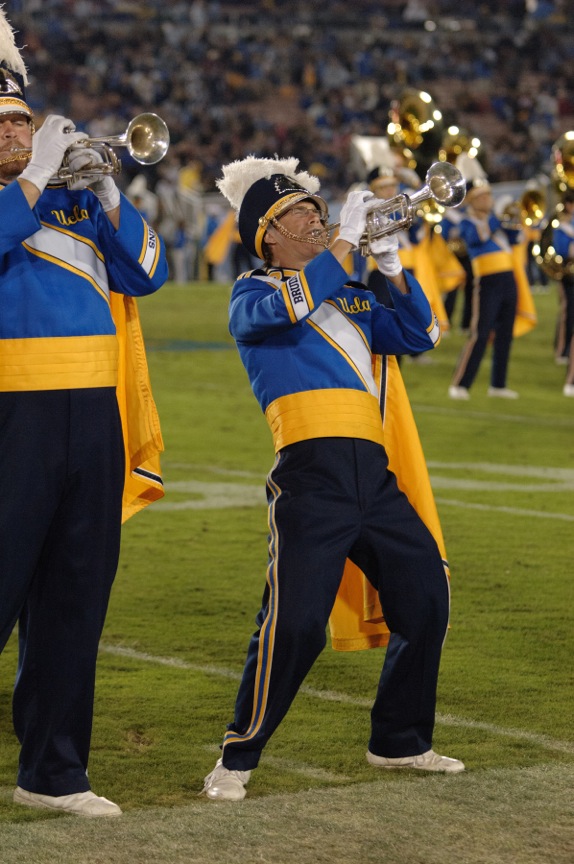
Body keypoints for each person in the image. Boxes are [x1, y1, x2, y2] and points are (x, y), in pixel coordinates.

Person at [201, 155, 464, 802]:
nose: (318, 223)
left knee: (428, 597)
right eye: (303, 215)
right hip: (310, 474)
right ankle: (236, 757)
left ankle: (400, 740)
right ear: (268, 234)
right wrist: (345, 242)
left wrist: (394, 269)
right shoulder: (252, 293)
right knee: (293, 627)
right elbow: (293, 304)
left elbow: (422, 334)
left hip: (373, 474)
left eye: (322, 214)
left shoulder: (348, 290)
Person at [0, 12, 167, 818]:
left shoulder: (71, 205)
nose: (19, 134)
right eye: (4, 125)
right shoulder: (21, 199)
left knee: (74, 597)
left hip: (92, 417)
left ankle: (54, 773)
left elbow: (149, 271)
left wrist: (106, 190)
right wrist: (32, 179)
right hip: (11, 416)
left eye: (24, 123)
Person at [449, 179, 525, 400]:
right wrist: (497, 220)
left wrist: (514, 220)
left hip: (508, 279)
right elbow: (476, 238)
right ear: (472, 201)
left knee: (505, 334)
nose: (488, 200)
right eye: (483, 197)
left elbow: (516, 239)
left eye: (489, 196)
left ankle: (498, 385)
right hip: (487, 282)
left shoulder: (495, 220)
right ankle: (460, 384)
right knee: (480, 334)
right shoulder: (467, 221)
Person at [552, 190, 574, 369]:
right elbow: (562, 251)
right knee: (568, 313)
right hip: (568, 275)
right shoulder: (562, 226)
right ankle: (562, 351)